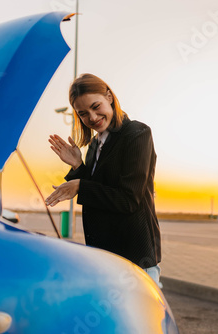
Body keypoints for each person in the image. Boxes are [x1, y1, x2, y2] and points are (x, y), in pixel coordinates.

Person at [45, 73, 162, 286]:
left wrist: (80, 185)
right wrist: (78, 166)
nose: (92, 117)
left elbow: (128, 199)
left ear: (109, 96)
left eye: (96, 106)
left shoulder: (137, 134)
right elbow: (99, 190)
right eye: (83, 114)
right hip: (105, 256)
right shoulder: (94, 145)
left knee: (137, 320)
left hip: (133, 257)